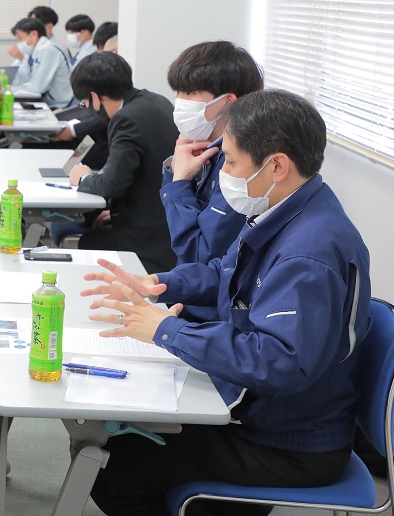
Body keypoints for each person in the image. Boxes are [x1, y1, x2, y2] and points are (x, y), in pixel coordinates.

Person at [84, 89, 371, 516]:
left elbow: (278, 360)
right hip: (270, 414)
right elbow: (226, 272)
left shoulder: (309, 253)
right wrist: (158, 283)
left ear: (277, 166)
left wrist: (166, 330)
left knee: (113, 471)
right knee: (120, 444)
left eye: (232, 162)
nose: (224, 174)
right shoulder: (290, 209)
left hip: (289, 443)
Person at [66, 52, 178, 273]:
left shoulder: (126, 119)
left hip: (147, 239)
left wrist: (83, 178)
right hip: (165, 224)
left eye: (84, 103)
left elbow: (111, 185)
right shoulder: (156, 101)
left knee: (90, 241)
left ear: (95, 97)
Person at [161, 41, 264, 269]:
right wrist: (175, 169)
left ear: (228, 102)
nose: (180, 101)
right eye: (178, 92)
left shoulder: (241, 165)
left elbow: (201, 254)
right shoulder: (203, 147)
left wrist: (179, 182)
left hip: (205, 284)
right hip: (186, 278)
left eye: (190, 93)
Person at [10, 17, 73, 109]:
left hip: (59, 106)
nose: (19, 43)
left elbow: (38, 87)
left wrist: (20, 88)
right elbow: (29, 78)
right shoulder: (36, 51)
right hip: (48, 102)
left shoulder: (47, 50)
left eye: (20, 38)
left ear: (34, 34)